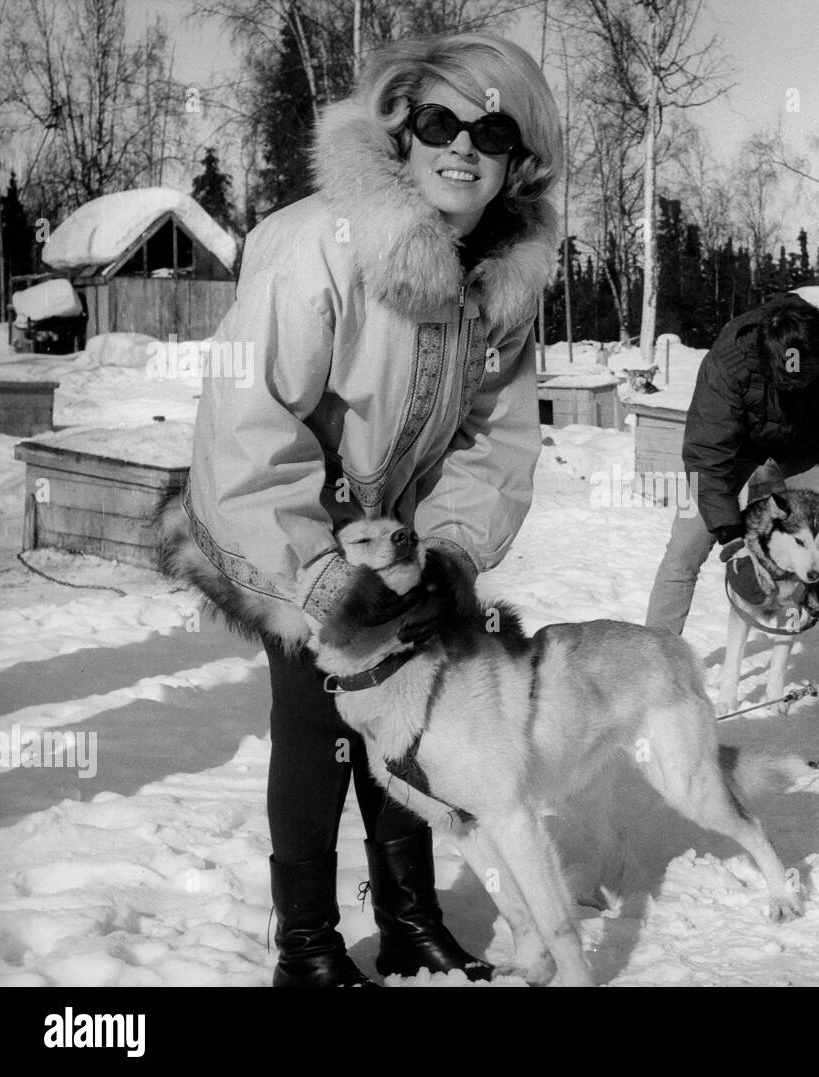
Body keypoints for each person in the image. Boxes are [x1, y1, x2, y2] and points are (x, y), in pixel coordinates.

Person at [173, 34, 561, 986]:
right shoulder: (321, 243)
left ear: (519, 160)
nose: (461, 147)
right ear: (402, 132)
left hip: (399, 535)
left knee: (413, 709)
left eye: (491, 130)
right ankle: (305, 943)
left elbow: (495, 439)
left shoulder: (499, 283)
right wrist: (319, 576)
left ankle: (411, 918)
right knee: (317, 718)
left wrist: (453, 554)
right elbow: (248, 421)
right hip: (281, 517)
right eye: (439, 122)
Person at [644, 293, 819, 722]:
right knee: (683, 551)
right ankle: (648, 670)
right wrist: (731, 543)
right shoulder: (730, 359)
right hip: (734, 450)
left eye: (805, 377)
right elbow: (706, 459)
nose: (796, 385)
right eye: (786, 378)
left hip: (807, 448)